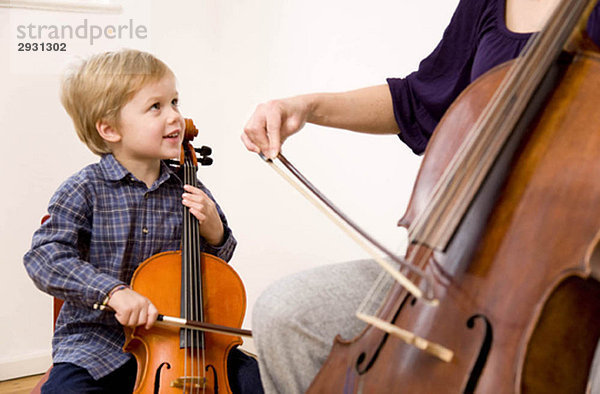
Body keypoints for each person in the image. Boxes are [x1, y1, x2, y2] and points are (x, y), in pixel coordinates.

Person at [242, 0, 600, 393]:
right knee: (286, 314)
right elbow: (420, 98)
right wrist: (304, 107)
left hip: (576, 272)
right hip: (455, 256)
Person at [24, 49, 262, 393]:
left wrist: (215, 230)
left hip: (183, 340)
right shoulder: (84, 189)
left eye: (175, 102)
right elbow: (45, 257)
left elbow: (214, 268)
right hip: (97, 343)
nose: (175, 117)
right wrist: (113, 293)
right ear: (109, 128)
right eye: (156, 107)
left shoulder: (188, 185)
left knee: (257, 380)